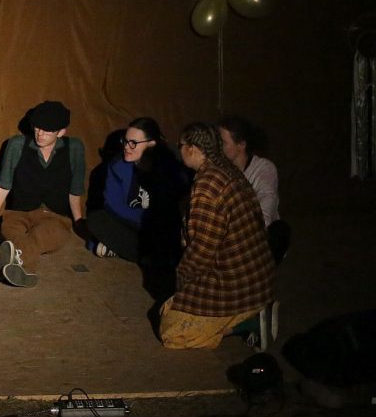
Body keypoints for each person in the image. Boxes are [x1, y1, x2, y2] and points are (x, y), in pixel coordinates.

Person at [159, 123, 276, 350]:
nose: (179, 150)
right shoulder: (226, 169)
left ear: (192, 149)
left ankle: (248, 322)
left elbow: (202, 250)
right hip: (253, 276)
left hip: (232, 280)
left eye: (180, 145)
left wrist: (181, 282)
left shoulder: (208, 185)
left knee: (171, 332)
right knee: (172, 306)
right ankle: (251, 310)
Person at [0, 100, 86, 288]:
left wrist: (78, 221)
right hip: (18, 213)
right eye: (37, 128)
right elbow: (3, 185)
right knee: (12, 234)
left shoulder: (74, 148)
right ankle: (17, 269)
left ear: (61, 132)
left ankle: (17, 266)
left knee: (43, 236)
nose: (40, 134)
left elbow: (75, 189)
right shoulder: (17, 145)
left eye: (47, 131)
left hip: (54, 216)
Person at [86, 117, 189, 286]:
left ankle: (123, 249)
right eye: (125, 141)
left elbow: (172, 206)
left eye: (133, 143)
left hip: (158, 227)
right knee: (96, 220)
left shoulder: (168, 167)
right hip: (133, 223)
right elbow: (113, 205)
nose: (127, 147)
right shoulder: (117, 165)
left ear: (151, 144)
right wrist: (143, 220)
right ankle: (149, 256)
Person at [217, 116, 280, 227]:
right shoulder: (222, 168)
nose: (218, 147)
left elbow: (265, 217)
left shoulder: (264, 168)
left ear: (241, 145)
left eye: (223, 143)